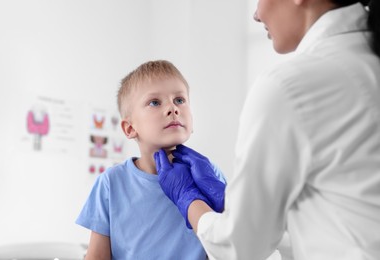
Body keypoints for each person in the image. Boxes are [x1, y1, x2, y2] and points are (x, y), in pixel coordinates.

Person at [154, 1, 380, 259]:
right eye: (154, 102)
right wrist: (228, 206)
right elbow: (336, 225)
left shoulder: (289, 86)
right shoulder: (364, 60)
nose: (256, 14)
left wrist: (188, 200)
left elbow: (240, 247)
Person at [76, 60, 225, 259]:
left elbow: (230, 245)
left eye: (180, 100)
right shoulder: (112, 183)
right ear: (129, 128)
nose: (173, 109)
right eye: (154, 102)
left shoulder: (209, 174)